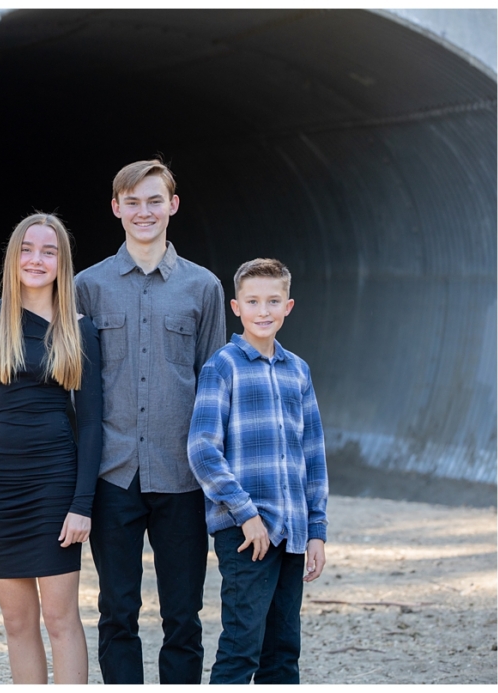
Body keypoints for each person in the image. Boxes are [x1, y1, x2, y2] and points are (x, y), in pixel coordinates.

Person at [74, 159, 226, 684]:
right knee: (117, 612)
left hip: (182, 475)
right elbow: (74, 387)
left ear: (173, 206)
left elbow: (214, 385)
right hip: (112, 473)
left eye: (154, 200)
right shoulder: (87, 287)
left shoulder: (203, 288)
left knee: (183, 616)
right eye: (132, 201)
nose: (144, 211)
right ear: (116, 208)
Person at [0, 212, 103, 684]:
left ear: (62, 262)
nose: (36, 259)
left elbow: (93, 423)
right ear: (13, 255)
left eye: (49, 251)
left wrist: (82, 504)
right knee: (17, 623)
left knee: (61, 620)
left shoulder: (80, 328)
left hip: (55, 485)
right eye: (27, 249)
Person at [187, 258, 329, 684]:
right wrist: (246, 514)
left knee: (284, 651)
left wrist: (317, 529)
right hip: (246, 532)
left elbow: (313, 455)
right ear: (236, 307)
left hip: (293, 532)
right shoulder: (222, 367)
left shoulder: (298, 371)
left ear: (289, 306)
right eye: (253, 301)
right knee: (241, 646)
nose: (263, 311)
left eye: (273, 301)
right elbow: (202, 450)